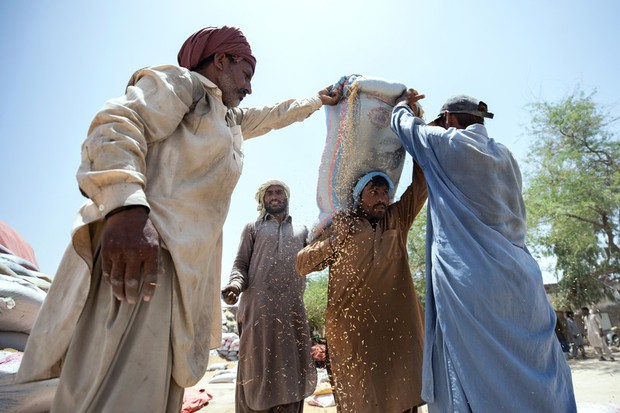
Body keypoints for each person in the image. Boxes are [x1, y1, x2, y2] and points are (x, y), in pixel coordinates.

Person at [14, 26, 342, 412]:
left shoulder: (228, 119)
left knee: (157, 393)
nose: (249, 88)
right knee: (119, 394)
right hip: (142, 253)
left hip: (184, 273)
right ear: (221, 60)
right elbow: (116, 123)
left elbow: (273, 115)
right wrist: (126, 208)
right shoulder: (182, 85)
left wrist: (317, 101)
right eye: (246, 74)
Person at [390, 91, 577, 412]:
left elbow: (401, 122)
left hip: (474, 285)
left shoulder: (446, 144)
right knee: (533, 376)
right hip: (524, 284)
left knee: (473, 376)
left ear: (449, 119)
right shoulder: (506, 156)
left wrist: (405, 101)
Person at [296, 162, 428, 413]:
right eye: (373, 192)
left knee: (403, 396)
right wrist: (335, 239)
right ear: (359, 197)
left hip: (396, 333)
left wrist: (419, 135)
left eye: (384, 193)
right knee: (362, 401)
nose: (381, 198)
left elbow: (421, 186)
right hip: (354, 337)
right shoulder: (342, 225)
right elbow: (302, 264)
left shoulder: (396, 219)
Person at [221, 180, 316, 413]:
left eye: (279, 192)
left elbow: (314, 260)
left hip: (291, 309)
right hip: (258, 310)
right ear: (262, 200)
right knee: (256, 365)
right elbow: (240, 265)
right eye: (269, 193)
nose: (274, 196)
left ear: (287, 197)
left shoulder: (303, 230)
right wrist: (234, 285)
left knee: (291, 366)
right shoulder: (253, 228)